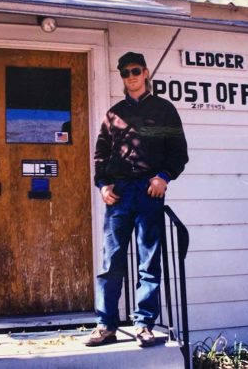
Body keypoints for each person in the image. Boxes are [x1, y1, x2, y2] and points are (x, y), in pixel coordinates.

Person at [85, 52, 188, 347]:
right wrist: (103, 185)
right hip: (118, 195)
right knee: (111, 261)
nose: (130, 77)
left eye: (134, 71)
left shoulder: (164, 110)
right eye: (124, 73)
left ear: (145, 73)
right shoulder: (113, 114)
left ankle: (144, 325)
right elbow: (100, 154)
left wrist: (164, 177)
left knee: (148, 262)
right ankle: (106, 325)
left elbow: (178, 152)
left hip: (147, 193)